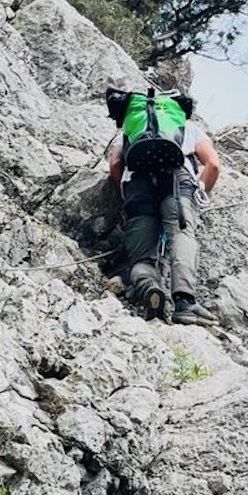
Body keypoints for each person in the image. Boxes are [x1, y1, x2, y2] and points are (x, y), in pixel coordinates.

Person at [106, 83, 222, 323]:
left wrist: (125, 198)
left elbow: (115, 163)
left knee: (141, 258)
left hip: (137, 184)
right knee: (181, 235)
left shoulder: (130, 129)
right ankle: (184, 303)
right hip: (176, 181)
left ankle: (149, 288)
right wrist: (199, 193)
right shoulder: (188, 128)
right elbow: (213, 165)